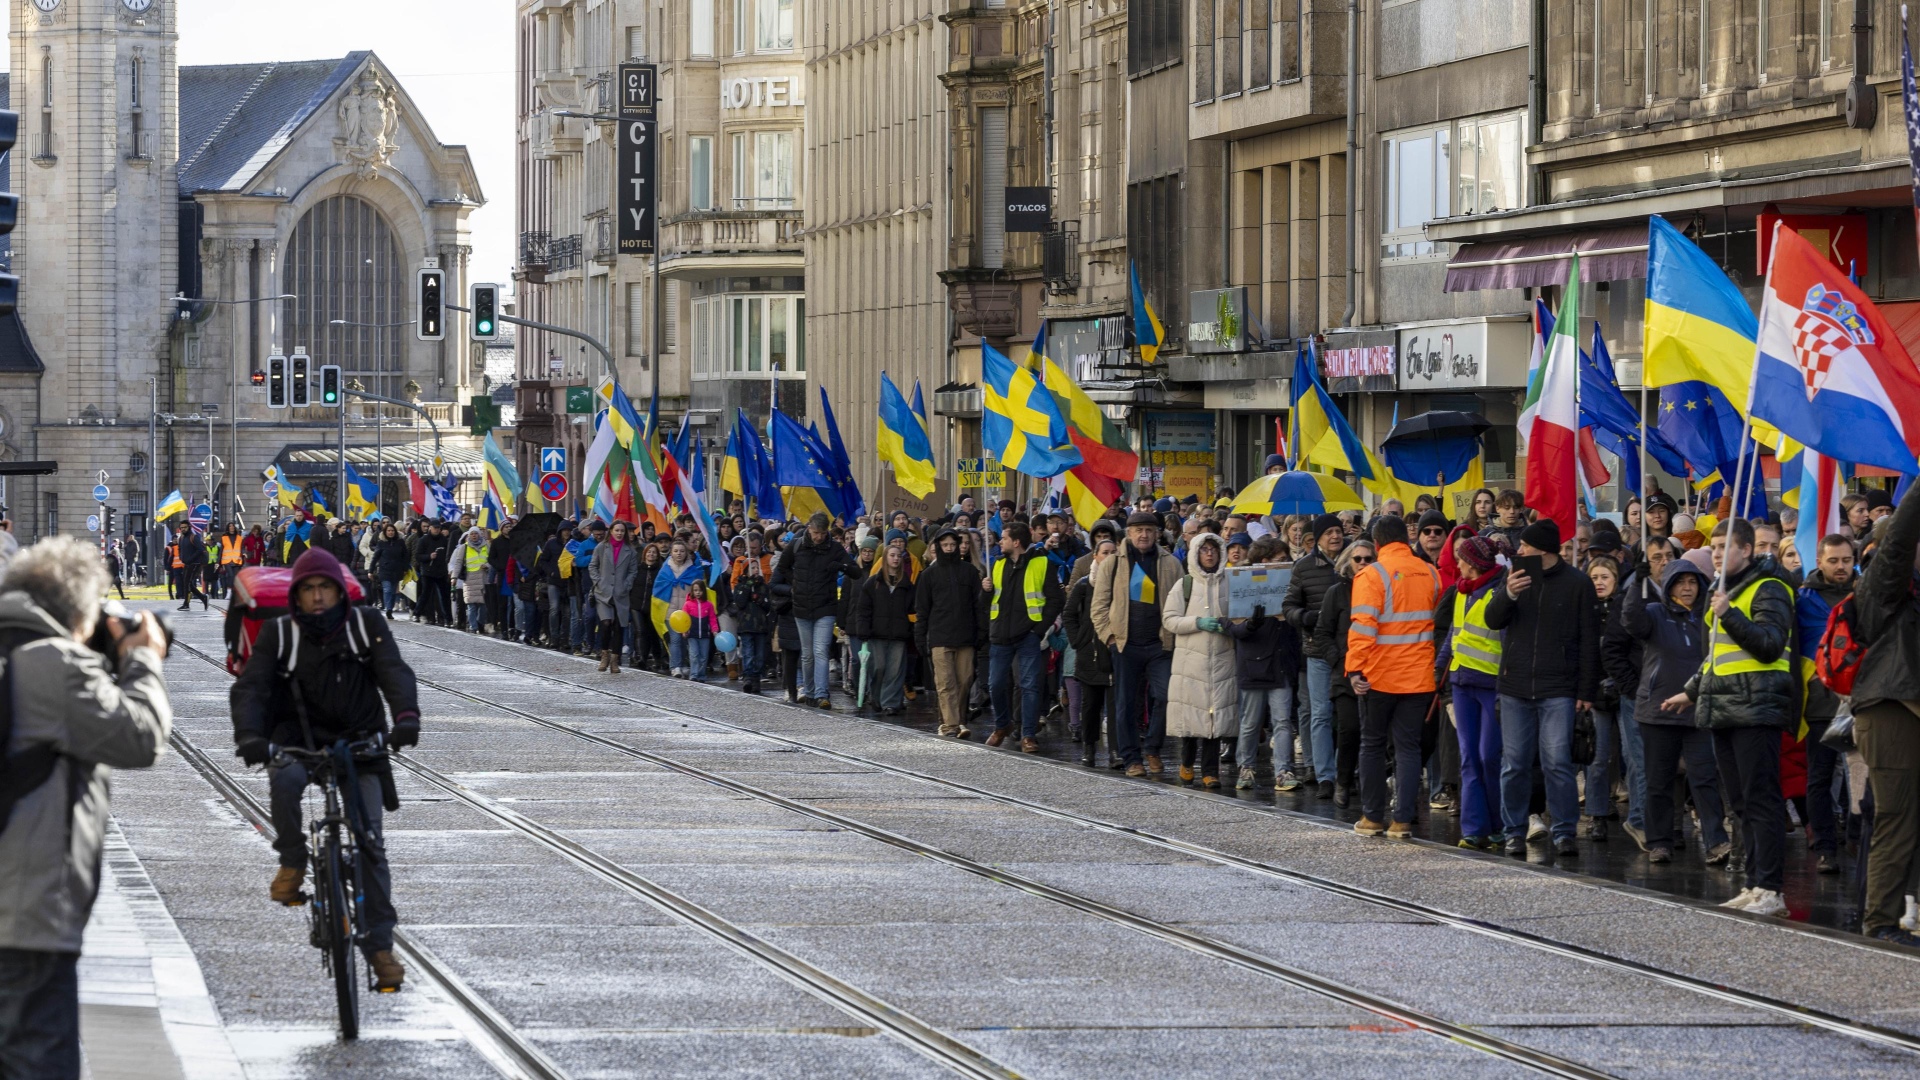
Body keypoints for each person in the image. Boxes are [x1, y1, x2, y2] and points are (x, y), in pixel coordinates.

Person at [0, 539, 171, 1079]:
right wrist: (141, 656)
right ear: (79, 611)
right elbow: (138, 737)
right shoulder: (52, 663)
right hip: (22, 918)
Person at [231, 546, 419, 992]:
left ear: (340, 591)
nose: (317, 598)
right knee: (286, 779)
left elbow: (393, 671)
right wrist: (250, 737)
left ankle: (379, 946)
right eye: (309, 589)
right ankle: (293, 860)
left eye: (325, 589)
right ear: (297, 595)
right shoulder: (280, 634)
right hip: (300, 741)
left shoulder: (366, 625)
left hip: (361, 743)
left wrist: (406, 718)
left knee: (370, 842)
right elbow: (252, 688)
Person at [1661, 518, 1796, 917]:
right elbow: (1716, 657)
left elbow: (1770, 646)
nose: (1717, 554)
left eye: (1724, 547)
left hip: (1756, 709)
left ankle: (1771, 889)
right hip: (1724, 707)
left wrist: (1730, 614)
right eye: (1714, 548)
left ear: (1747, 550)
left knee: (1761, 801)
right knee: (1739, 802)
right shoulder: (1725, 591)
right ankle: (1754, 884)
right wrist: (1691, 689)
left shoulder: (1769, 587)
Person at [1484, 517, 1599, 859]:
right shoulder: (1515, 578)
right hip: (1516, 685)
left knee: (1557, 762)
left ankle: (1564, 831)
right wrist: (1508, 593)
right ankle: (1514, 831)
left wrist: (1586, 691)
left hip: (1558, 688)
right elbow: (1492, 619)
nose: (1519, 550)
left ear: (1543, 550)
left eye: (1525, 546)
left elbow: (1590, 641)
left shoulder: (1578, 583)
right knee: (1515, 763)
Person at [1847, 487, 1920, 944]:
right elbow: (1897, 542)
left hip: (1906, 707)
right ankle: (1879, 923)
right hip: (1891, 711)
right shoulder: (1883, 581)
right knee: (1896, 817)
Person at [1626, 558, 1732, 867]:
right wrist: (1636, 585)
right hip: (1658, 710)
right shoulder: (1655, 614)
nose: (1687, 588)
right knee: (1659, 780)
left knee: (1704, 777)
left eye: (1692, 582)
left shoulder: (1708, 616)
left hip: (1697, 708)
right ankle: (1659, 842)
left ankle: (1716, 840)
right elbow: (1631, 621)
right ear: (1669, 586)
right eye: (1680, 582)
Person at [1346, 515, 1440, 838]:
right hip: (1418, 677)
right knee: (1409, 748)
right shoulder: (1430, 572)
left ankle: (1373, 817)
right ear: (1407, 538)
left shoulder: (1371, 575)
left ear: (1376, 544)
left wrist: (1354, 668)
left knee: (1372, 745)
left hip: (1378, 676)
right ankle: (1402, 821)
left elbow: (1362, 628)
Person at [1091, 510, 1184, 777]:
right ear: (1128, 534)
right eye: (1138, 530)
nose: (1143, 535)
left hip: (1160, 644)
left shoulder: (1170, 563)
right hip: (1125, 644)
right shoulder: (1113, 563)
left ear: (1157, 533)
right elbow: (1099, 607)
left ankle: (1153, 748)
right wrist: (1109, 637)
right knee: (1125, 704)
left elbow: (1181, 601)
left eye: (1149, 530)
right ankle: (1131, 758)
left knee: (1166, 696)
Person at [1435, 533, 1506, 849]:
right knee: (1468, 758)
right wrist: (1439, 667)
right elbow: (1454, 634)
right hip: (1461, 684)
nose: (1457, 563)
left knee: (1488, 757)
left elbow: (1506, 641)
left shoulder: (1498, 594)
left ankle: (1497, 826)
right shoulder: (1460, 591)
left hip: (1492, 686)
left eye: (1462, 559)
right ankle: (1474, 829)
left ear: (1475, 564)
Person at [1797, 533, 1855, 876]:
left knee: (1861, 779)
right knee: (1819, 778)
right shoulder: (1803, 600)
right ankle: (1825, 847)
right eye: (1833, 560)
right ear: (1820, 561)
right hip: (1820, 704)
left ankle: (1859, 840)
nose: (1840, 567)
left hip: (1861, 702)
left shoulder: (1865, 595)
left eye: (1846, 560)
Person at [1282, 513, 1348, 798]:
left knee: (1347, 716)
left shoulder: (1354, 561)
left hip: (1350, 651)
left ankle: (1348, 772)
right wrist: (1305, 617)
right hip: (1318, 651)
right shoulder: (1304, 567)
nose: (1335, 536)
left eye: (1338, 531)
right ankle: (1325, 776)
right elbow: (1288, 606)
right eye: (1329, 532)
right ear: (1317, 538)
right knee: (1320, 714)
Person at [985, 521, 1066, 752]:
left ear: (1016, 542)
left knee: (1029, 686)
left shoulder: (1042, 563)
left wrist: (1038, 630)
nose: (1000, 542)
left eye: (1004, 538)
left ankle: (1028, 735)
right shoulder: (998, 565)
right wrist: (986, 591)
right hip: (1000, 634)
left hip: (1028, 635)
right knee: (996, 684)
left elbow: (1056, 600)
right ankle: (1003, 725)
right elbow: (989, 601)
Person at [1229, 537, 1301, 791]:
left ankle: (1284, 770)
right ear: (1265, 561)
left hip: (1280, 662)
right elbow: (1231, 624)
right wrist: (1250, 625)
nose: (1286, 564)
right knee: (1250, 721)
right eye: (1281, 560)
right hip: (1253, 662)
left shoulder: (1290, 582)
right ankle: (1246, 768)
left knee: (1282, 721)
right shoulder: (1240, 581)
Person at [1164, 533, 1236, 788]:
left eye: (1213, 550)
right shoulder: (1184, 585)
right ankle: (1186, 763)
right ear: (1195, 553)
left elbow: (1240, 616)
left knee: (1214, 720)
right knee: (1190, 721)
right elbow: (1169, 619)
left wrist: (1230, 626)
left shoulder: (1231, 582)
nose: (1209, 554)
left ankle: (1210, 770)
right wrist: (1197, 623)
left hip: (1222, 661)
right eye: (1204, 549)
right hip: (1190, 663)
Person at [773, 512, 861, 709]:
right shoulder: (797, 545)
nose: (818, 537)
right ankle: (810, 691)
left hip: (825, 607)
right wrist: (795, 583)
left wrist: (840, 566)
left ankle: (821, 694)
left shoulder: (834, 548)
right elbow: (782, 567)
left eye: (822, 533)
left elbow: (856, 571)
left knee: (820, 650)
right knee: (807, 653)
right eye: (815, 533)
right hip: (802, 607)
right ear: (809, 529)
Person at [916, 527, 989, 739]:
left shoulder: (969, 572)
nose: (949, 549)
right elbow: (922, 609)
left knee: (965, 679)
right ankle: (951, 724)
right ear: (938, 547)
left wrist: (981, 632)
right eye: (945, 545)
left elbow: (978, 605)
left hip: (966, 635)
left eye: (952, 545)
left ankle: (955, 720)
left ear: (958, 546)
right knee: (945, 682)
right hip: (939, 635)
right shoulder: (928, 575)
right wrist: (921, 637)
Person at [1063, 536, 1116, 766]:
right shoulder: (1084, 585)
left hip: (1114, 652)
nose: (1109, 556)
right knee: (1091, 705)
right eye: (1105, 552)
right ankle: (1089, 748)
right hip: (1089, 653)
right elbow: (1069, 615)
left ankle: (1116, 751)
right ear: (1095, 556)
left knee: (1115, 707)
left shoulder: (1123, 582)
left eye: (1113, 552)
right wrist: (1079, 641)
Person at [854, 544, 916, 713]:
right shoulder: (873, 583)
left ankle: (891, 702)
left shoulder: (906, 584)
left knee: (895, 670)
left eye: (898, 556)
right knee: (878, 666)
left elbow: (913, 607)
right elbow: (863, 609)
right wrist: (863, 629)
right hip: (877, 633)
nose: (895, 558)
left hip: (899, 633)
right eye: (892, 555)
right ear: (885, 558)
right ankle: (876, 696)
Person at [728, 546, 776, 694]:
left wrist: (761, 600)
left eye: (757, 567)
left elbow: (769, 606)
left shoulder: (763, 587)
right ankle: (748, 676)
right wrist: (749, 586)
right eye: (752, 567)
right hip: (746, 625)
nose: (756, 570)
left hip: (760, 626)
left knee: (760, 654)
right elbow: (740, 602)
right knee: (748, 652)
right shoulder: (741, 586)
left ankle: (756, 677)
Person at [678, 579, 720, 682]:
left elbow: (712, 619)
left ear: (704, 591)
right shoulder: (687, 605)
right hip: (692, 634)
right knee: (694, 655)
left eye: (700, 590)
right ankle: (694, 674)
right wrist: (684, 630)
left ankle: (701, 675)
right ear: (692, 591)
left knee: (704, 656)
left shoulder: (709, 605)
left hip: (705, 635)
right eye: (695, 590)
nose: (698, 593)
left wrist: (715, 630)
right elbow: (684, 619)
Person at [453, 526, 491, 633]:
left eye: (476, 533)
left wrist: (487, 565)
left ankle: (480, 622)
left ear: (479, 534)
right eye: (472, 534)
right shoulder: (463, 548)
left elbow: (492, 560)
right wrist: (454, 577)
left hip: (483, 578)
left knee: (483, 606)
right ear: (469, 535)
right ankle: (473, 627)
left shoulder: (486, 545)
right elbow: (458, 563)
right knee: (471, 605)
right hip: (470, 579)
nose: (474, 536)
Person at [371, 522, 410, 618]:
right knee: (387, 589)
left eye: (392, 530)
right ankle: (388, 609)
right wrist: (370, 570)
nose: (390, 532)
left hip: (397, 570)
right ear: (385, 532)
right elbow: (375, 557)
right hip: (385, 570)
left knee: (393, 591)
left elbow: (405, 556)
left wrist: (405, 568)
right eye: (388, 531)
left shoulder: (400, 542)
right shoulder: (381, 543)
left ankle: (390, 607)